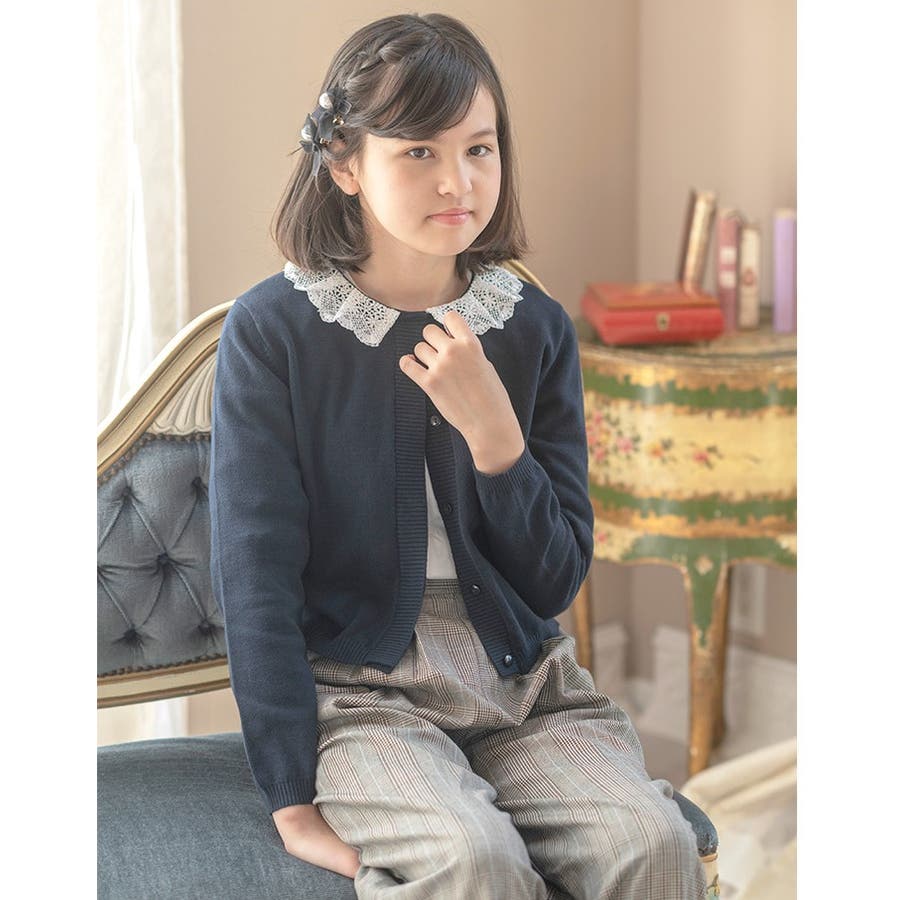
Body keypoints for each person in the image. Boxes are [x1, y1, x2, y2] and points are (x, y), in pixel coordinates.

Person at [209, 11, 707, 900]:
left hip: (525, 684)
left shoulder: (534, 327)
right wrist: (290, 797)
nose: (459, 182)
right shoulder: (273, 332)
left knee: (651, 843)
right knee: (472, 860)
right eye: (419, 152)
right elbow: (255, 576)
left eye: (479, 149)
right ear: (344, 164)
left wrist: (497, 440)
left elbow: (553, 582)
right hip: (361, 692)